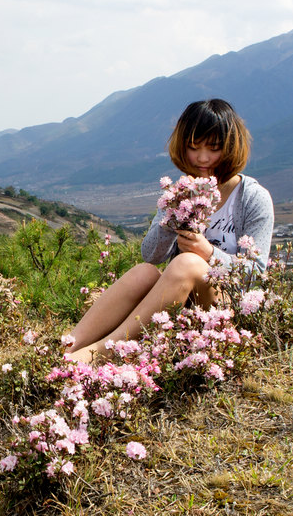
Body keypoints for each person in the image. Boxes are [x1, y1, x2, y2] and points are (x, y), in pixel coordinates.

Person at [64, 98, 273, 363]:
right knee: (144, 273)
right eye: (193, 148)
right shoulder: (180, 193)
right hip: (178, 302)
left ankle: (100, 354)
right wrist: (173, 212)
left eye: (214, 148)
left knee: (187, 263)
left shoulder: (252, 198)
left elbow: (256, 274)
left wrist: (208, 253)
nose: (203, 158)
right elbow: (151, 255)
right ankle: (67, 346)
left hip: (226, 310)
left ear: (231, 147)